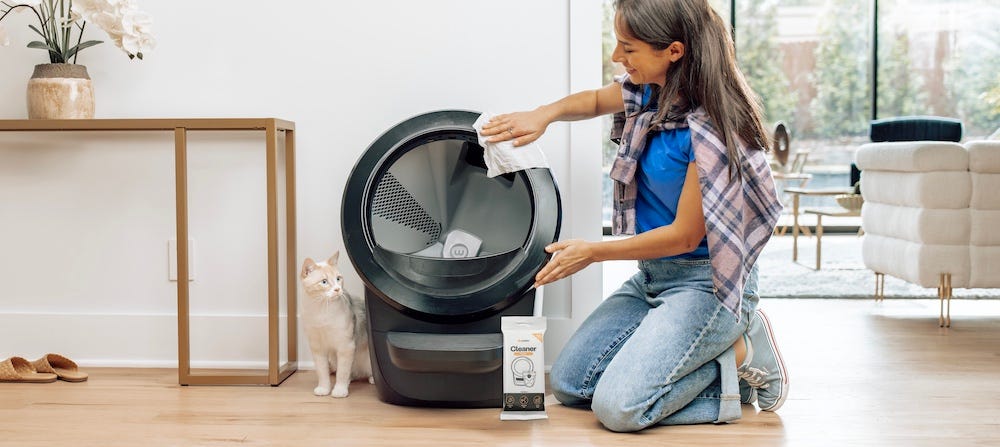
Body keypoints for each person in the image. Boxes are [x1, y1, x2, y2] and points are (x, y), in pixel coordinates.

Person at [479, 0, 788, 432]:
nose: (616, 57)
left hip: (708, 284)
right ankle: (686, 359)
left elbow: (684, 237)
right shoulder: (652, 94)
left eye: (628, 48)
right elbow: (592, 101)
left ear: (674, 51)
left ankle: (742, 353)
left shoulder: (713, 131)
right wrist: (543, 115)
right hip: (654, 277)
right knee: (570, 382)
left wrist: (593, 252)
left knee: (619, 409)